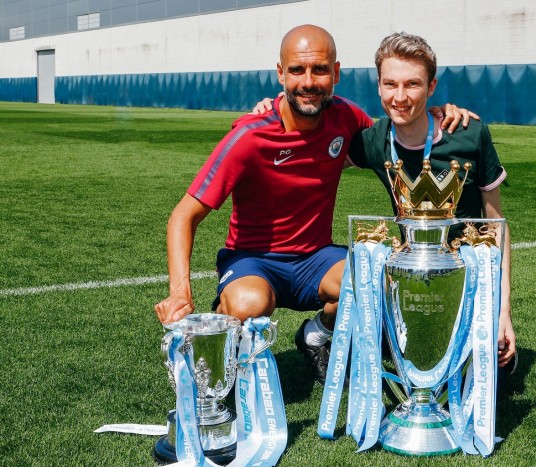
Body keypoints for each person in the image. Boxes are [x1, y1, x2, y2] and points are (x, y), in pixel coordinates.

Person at [154, 24, 475, 385]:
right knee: (248, 304)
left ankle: (317, 334)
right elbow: (184, 215)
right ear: (281, 74)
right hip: (254, 260)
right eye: (297, 70)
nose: (308, 81)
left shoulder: (346, 117)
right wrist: (180, 292)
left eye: (319, 69)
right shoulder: (249, 136)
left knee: (379, 277)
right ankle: (222, 366)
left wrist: (433, 113)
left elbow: (396, 137)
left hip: (315, 259)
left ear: (335, 73)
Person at [346, 32, 517, 370]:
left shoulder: (469, 133)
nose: (400, 97)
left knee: (491, 367)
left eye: (412, 85)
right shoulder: (373, 141)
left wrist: (502, 310)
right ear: (378, 86)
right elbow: (314, 148)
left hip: (469, 281)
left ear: (431, 87)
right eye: (390, 84)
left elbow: (496, 226)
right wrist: (274, 110)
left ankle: (481, 335)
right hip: (411, 277)